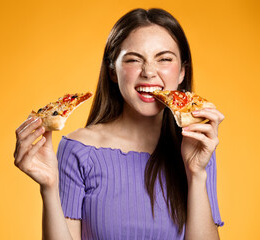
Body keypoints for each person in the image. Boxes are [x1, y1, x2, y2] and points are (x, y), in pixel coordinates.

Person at [14, 8, 224, 240]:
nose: (149, 72)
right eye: (134, 59)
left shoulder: (197, 145)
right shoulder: (78, 149)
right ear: (113, 71)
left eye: (164, 59)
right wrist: (49, 188)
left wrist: (196, 173)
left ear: (182, 71)